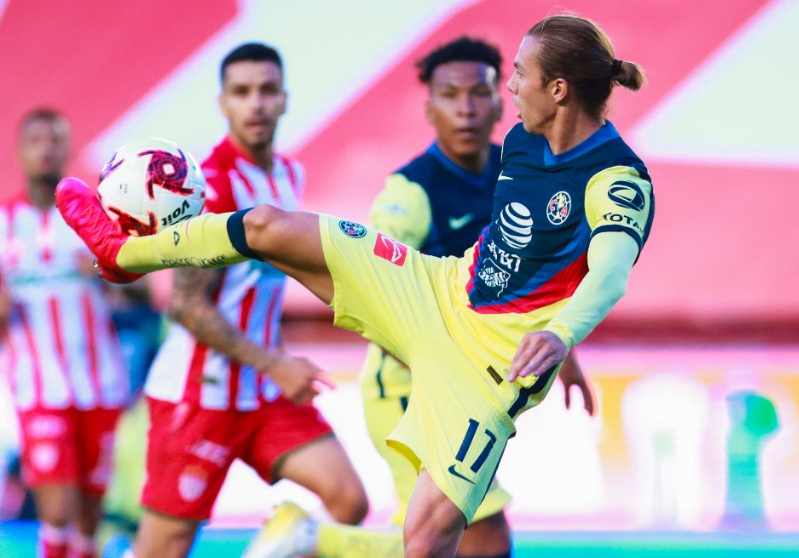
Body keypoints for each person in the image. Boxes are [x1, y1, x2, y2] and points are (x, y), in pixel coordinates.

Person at [57, 14, 653, 558]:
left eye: (518, 74)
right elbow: (529, 255)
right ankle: (123, 254)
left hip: (486, 373)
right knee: (266, 224)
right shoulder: (521, 143)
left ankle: (318, 541)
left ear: (558, 89)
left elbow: (608, 271)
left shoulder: (617, 177)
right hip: (434, 290)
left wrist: (560, 335)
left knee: (431, 543)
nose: (507, 89)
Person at [244, 36, 594, 558]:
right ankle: (318, 539)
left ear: (502, 99)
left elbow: (540, 279)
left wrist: (564, 350)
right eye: (451, 95)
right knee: (468, 543)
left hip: (468, 391)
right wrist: (441, 368)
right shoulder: (409, 194)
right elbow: (376, 292)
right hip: (410, 388)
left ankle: (317, 539)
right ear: (429, 106)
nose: (467, 108)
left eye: (479, 93)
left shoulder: (523, 175)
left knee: (464, 543)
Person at [122, 43, 368, 558]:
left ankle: (278, 544)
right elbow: (186, 306)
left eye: (266, 90)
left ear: (284, 100)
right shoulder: (209, 186)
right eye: (242, 92)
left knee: (348, 502)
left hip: (260, 392)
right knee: (160, 551)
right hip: (198, 396)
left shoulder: (287, 175)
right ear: (223, 103)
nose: (255, 103)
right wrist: (274, 362)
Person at [0, 108, 130, 558]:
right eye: (36, 139)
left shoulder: (99, 218)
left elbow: (139, 296)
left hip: (101, 385)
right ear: (21, 151)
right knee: (57, 511)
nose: (46, 148)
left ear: (68, 148)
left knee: (87, 518)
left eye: (55, 139)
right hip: (40, 388)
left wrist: (108, 272)